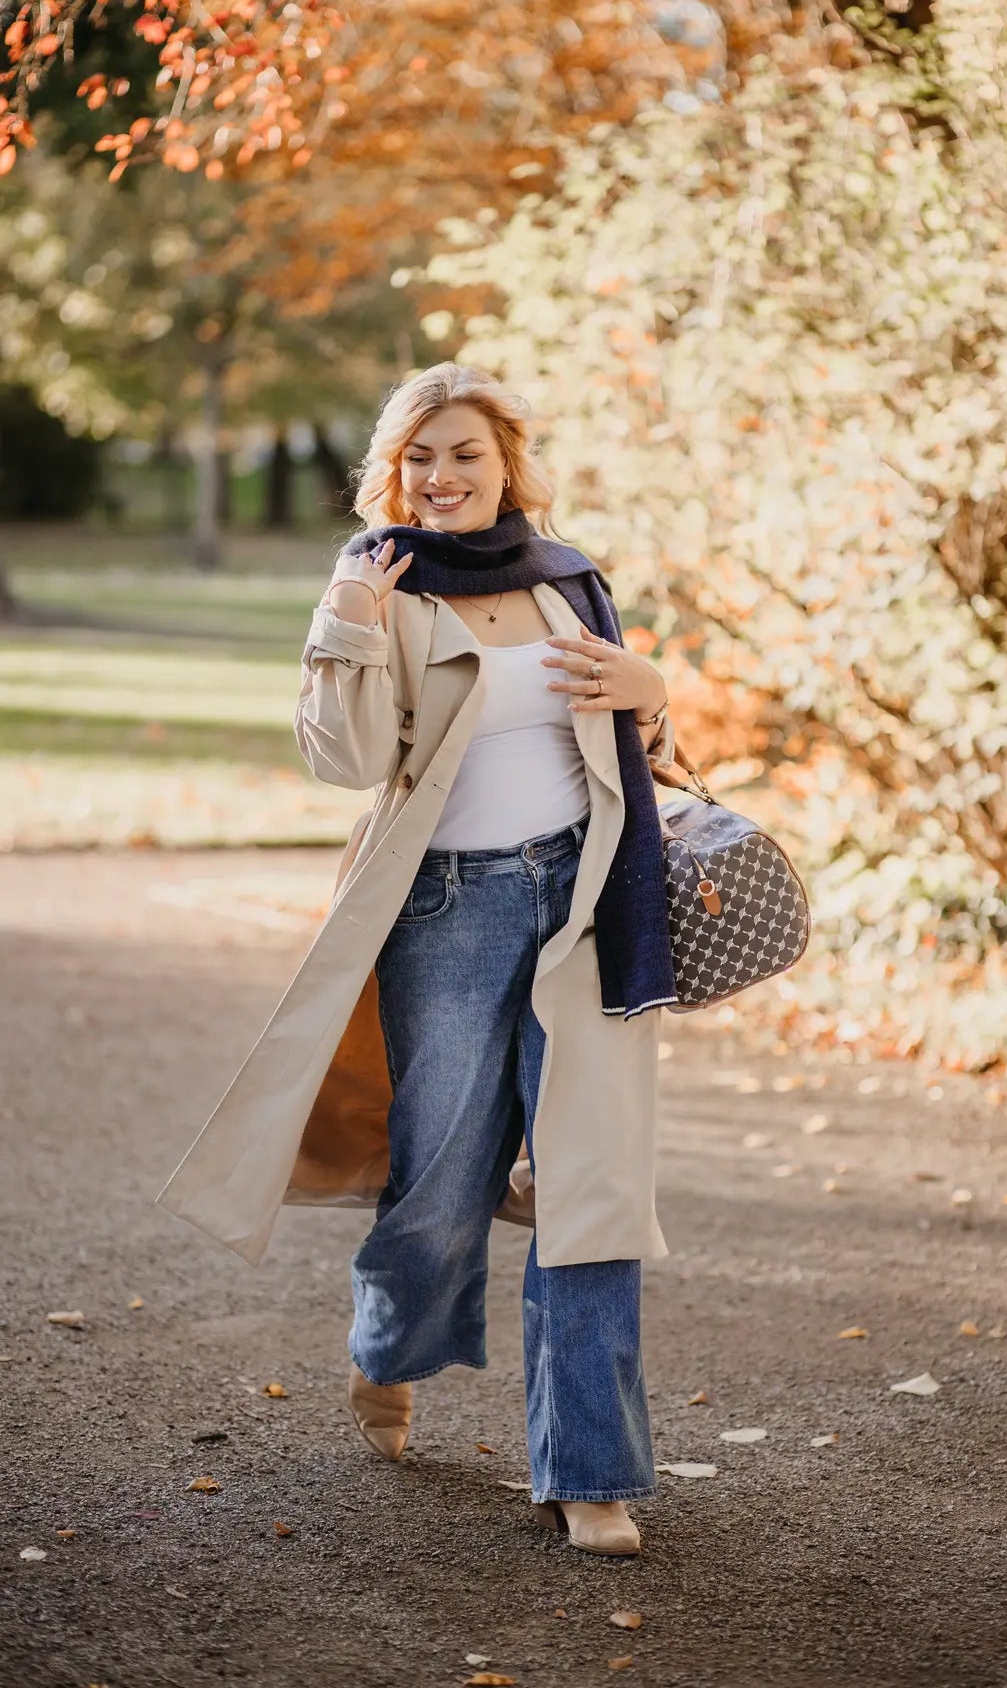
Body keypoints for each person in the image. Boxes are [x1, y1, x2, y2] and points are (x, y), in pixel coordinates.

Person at [310, 362, 680, 1557]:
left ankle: (592, 1472)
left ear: (506, 463)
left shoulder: (571, 580)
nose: (444, 475)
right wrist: (348, 625)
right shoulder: (383, 582)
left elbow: (636, 746)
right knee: (439, 1178)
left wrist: (653, 690)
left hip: (586, 903)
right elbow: (342, 756)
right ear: (395, 469)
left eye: (466, 452)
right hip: (446, 908)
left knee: (593, 1186)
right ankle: (391, 1348)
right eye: (422, 455)